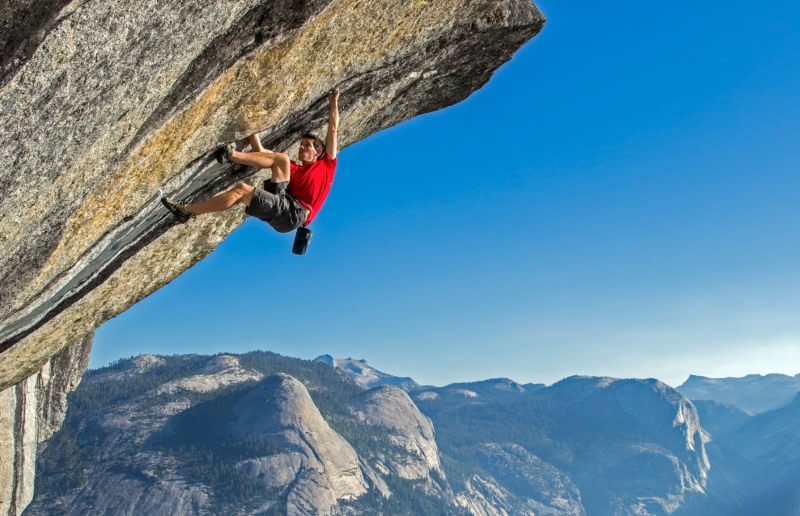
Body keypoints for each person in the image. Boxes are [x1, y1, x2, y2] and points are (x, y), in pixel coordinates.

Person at [162, 88, 340, 233]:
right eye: (301, 144)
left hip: (293, 214)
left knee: (241, 190)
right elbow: (261, 153)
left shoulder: (327, 165)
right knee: (281, 159)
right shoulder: (293, 168)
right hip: (283, 201)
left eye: (307, 146)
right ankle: (230, 155)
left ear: (318, 152)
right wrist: (251, 128)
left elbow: (333, 129)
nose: (301, 148)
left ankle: (188, 210)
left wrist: (333, 102)